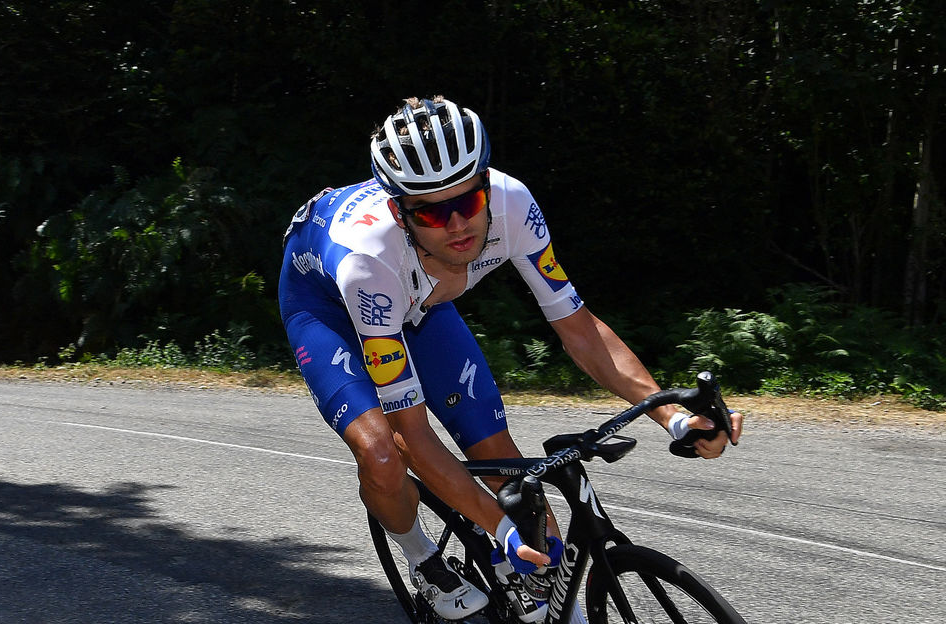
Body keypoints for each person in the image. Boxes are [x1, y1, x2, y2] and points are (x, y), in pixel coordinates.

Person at [278, 96, 743, 622]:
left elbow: (581, 330)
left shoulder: (512, 204)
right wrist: (500, 528)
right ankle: (422, 559)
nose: (457, 225)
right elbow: (416, 434)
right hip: (328, 311)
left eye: (468, 202)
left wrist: (674, 415)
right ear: (399, 213)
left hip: (422, 302)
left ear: (486, 185)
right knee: (385, 454)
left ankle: (525, 592)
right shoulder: (370, 262)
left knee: (505, 464)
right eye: (432, 211)